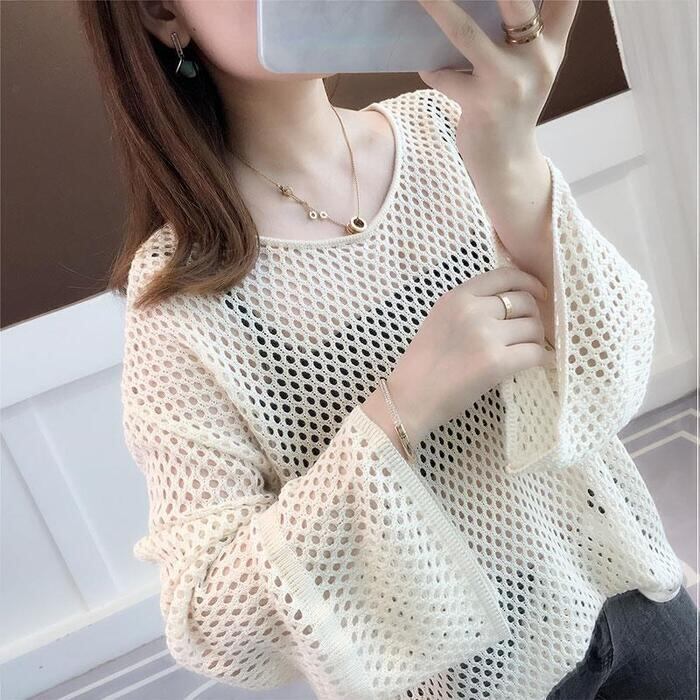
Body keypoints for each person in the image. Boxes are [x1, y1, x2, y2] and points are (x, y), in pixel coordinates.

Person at [78, 0, 697, 698]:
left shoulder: (447, 128)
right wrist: (400, 409)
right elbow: (209, 624)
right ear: (163, 12)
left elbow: (617, 373)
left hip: (632, 599)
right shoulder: (181, 303)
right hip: (470, 684)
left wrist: (513, 161)